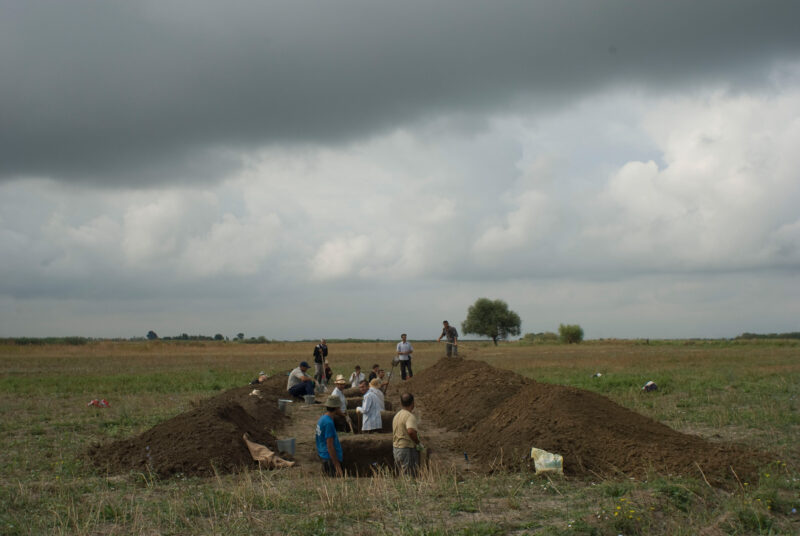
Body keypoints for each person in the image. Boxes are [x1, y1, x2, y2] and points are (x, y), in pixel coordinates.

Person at [393, 392, 422, 476]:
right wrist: (418, 442)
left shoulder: (397, 415)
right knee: (409, 475)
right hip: (406, 449)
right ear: (413, 403)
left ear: (401, 403)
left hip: (396, 449)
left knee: (401, 473)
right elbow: (410, 431)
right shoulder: (409, 416)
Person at [315, 395, 344, 476]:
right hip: (329, 460)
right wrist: (337, 465)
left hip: (324, 456)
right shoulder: (329, 423)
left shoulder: (323, 418)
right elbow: (330, 446)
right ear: (336, 408)